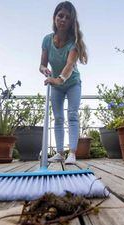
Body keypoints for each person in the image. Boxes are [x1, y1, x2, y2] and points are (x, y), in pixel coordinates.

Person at [40, 1, 87, 165]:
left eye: (67, 17)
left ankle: (72, 153)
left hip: (72, 82)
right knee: (58, 118)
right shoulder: (47, 40)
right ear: (54, 18)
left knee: (72, 115)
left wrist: (58, 79)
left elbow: (69, 65)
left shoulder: (73, 43)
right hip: (55, 84)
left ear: (71, 22)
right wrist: (45, 70)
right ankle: (59, 153)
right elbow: (42, 64)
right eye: (60, 15)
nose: (63, 20)